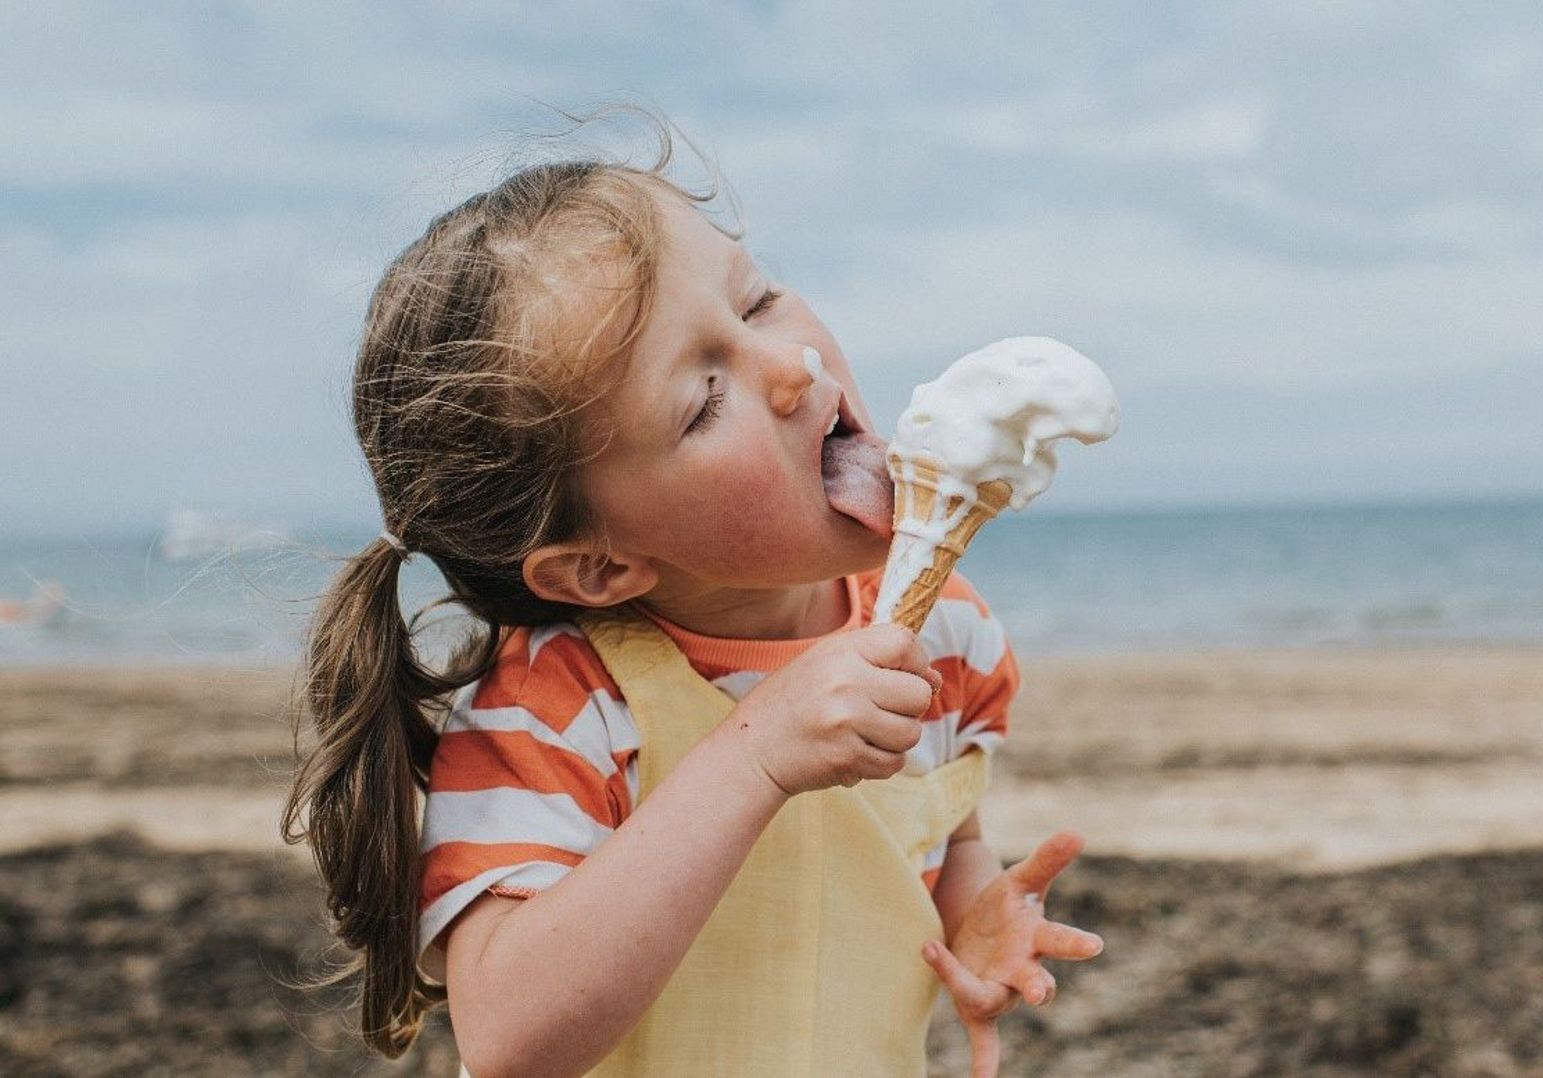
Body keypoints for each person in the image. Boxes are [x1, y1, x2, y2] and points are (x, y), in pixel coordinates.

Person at [281, 145, 1103, 1078]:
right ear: (598, 564)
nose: (789, 363)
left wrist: (974, 914)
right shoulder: (557, 705)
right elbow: (511, 1036)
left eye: (756, 299)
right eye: (704, 401)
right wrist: (754, 757)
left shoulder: (948, 633)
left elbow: (936, 839)